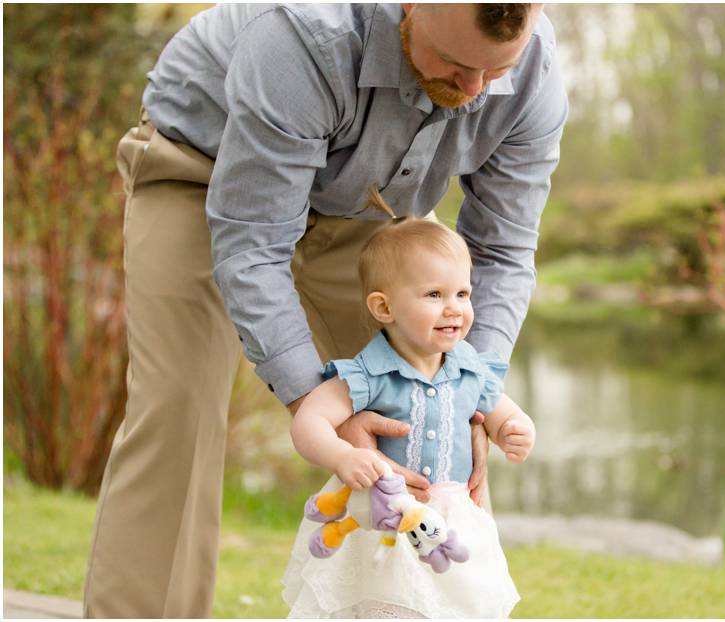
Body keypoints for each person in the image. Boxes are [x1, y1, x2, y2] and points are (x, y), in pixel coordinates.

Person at [87, 4, 565, 617]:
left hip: (367, 212)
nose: (474, 90)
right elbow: (254, 244)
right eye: (453, 62)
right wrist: (323, 410)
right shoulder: (304, 34)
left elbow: (500, 249)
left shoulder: (536, 72)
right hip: (203, 176)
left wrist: (471, 388)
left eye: (495, 69)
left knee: (437, 409)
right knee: (180, 407)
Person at [281, 188, 538, 618]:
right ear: (384, 307)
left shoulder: (470, 367)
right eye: (434, 295)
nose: (454, 309)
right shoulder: (369, 372)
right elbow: (309, 422)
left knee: (453, 607)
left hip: (453, 519)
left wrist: (514, 426)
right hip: (384, 525)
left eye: (462, 294)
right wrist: (343, 455)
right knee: (390, 608)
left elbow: (496, 408)